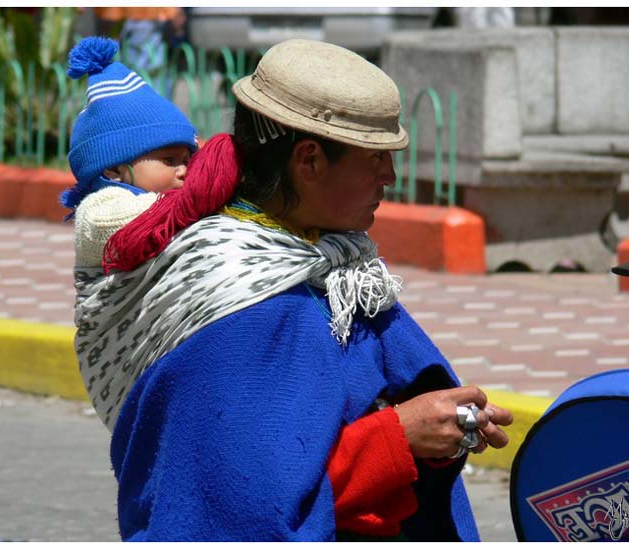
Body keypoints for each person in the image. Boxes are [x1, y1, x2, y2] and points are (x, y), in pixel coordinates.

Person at [73, 39, 513, 541]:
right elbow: (237, 510)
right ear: (308, 161)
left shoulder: (334, 265)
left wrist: (441, 427)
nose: (389, 177)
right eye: (374, 159)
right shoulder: (239, 300)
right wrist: (398, 436)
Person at [58, 36, 197, 274]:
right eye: (169, 161)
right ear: (113, 171)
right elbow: (135, 217)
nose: (183, 170)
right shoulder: (98, 211)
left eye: (186, 160)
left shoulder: (174, 205)